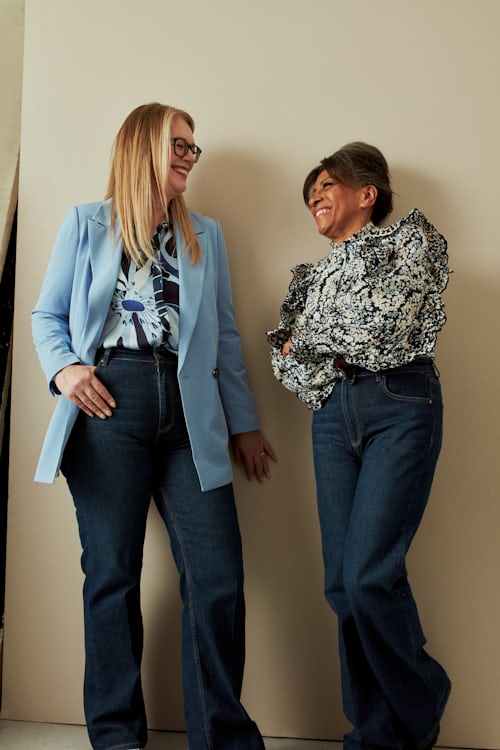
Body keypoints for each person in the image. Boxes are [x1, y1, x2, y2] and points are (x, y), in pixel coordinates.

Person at [32, 102, 276, 750]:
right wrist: (65, 370)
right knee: (112, 575)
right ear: (143, 146)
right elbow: (46, 315)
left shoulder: (206, 235)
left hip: (193, 409)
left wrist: (245, 424)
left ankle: (221, 739)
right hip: (109, 400)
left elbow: (225, 335)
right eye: (179, 144)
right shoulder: (86, 223)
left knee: (217, 577)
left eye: (194, 147)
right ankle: (117, 738)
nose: (190, 157)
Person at [267, 142, 451, 750]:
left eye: (327, 185)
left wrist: (309, 340)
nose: (314, 198)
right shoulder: (309, 278)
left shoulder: (411, 244)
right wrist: (311, 346)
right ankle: (373, 736)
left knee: (369, 575)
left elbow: (385, 328)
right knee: (342, 587)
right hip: (331, 414)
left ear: (367, 193)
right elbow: (289, 368)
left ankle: (423, 700)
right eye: (310, 193)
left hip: (399, 404)